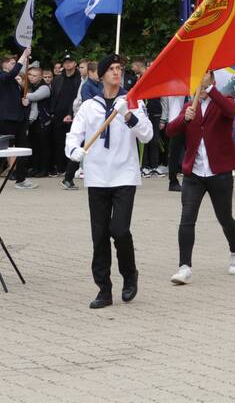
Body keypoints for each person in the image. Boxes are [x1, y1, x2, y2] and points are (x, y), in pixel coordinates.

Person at [65, 54, 153, 309]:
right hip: (97, 177)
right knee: (99, 234)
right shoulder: (89, 106)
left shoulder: (132, 101)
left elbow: (147, 136)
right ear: (101, 75)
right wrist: (74, 152)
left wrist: (129, 116)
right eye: (112, 69)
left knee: (120, 230)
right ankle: (104, 289)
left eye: (120, 68)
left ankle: (130, 275)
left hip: (124, 174)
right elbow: (73, 137)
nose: (117, 72)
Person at [165, 72, 235, 285]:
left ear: (213, 79)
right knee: (187, 219)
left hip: (220, 172)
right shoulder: (190, 105)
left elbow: (231, 111)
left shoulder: (223, 100)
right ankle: (184, 267)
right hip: (194, 173)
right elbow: (171, 131)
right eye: (199, 75)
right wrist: (184, 117)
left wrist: (210, 90)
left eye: (206, 74)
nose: (202, 78)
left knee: (225, 218)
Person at [0, 47, 36, 190]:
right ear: (4, 65)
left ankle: (21, 179)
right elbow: (12, 73)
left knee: (23, 148)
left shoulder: (15, 83)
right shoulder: (0, 77)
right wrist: (24, 56)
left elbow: (17, 101)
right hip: (6, 119)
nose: (14, 65)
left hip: (18, 119)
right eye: (11, 63)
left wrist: (24, 103)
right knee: (2, 149)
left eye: (14, 62)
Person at [52, 54, 81, 189]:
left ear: (75, 63)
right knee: (58, 141)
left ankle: (70, 169)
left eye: (70, 62)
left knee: (72, 141)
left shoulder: (79, 78)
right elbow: (53, 96)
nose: (68, 64)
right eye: (65, 62)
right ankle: (61, 167)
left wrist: (71, 113)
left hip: (73, 114)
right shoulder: (58, 79)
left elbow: (76, 98)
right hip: (58, 113)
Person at [23, 64, 52, 177]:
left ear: (40, 77)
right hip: (33, 122)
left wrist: (22, 95)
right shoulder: (30, 87)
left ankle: (44, 169)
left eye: (35, 75)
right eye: (29, 74)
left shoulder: (44, 88)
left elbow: (35, 96)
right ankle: (35, 168)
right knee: (34, 146)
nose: (31, 77)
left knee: (44, 147)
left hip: (43, 121)